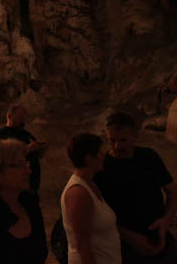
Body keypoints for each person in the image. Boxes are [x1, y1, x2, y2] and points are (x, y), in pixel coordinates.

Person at [94, 112, 177, 263]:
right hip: (122, 243)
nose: (117, 146)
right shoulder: (101, 166)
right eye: (112, 140)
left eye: (123, 140)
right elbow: (95, 214)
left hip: (157, 236)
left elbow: (173, 192)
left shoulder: (149, 157)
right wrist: (130, 237)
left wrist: (165, 222)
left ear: (135, 136)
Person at [62, 133, 121, 264]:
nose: (104, 156)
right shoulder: (78, 193)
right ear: (89, 158)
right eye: (101, 153)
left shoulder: (91, 184)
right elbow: (83, 246)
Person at [0, 104, 47, 193]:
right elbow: (3, 157)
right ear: (9, 116)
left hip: (31, 183)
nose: (23, 120)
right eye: (20, 116)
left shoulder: (26, 134)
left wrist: (40, 150)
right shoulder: (0, 135)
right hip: (15, 185)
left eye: (24, 117)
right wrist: (27, 149)